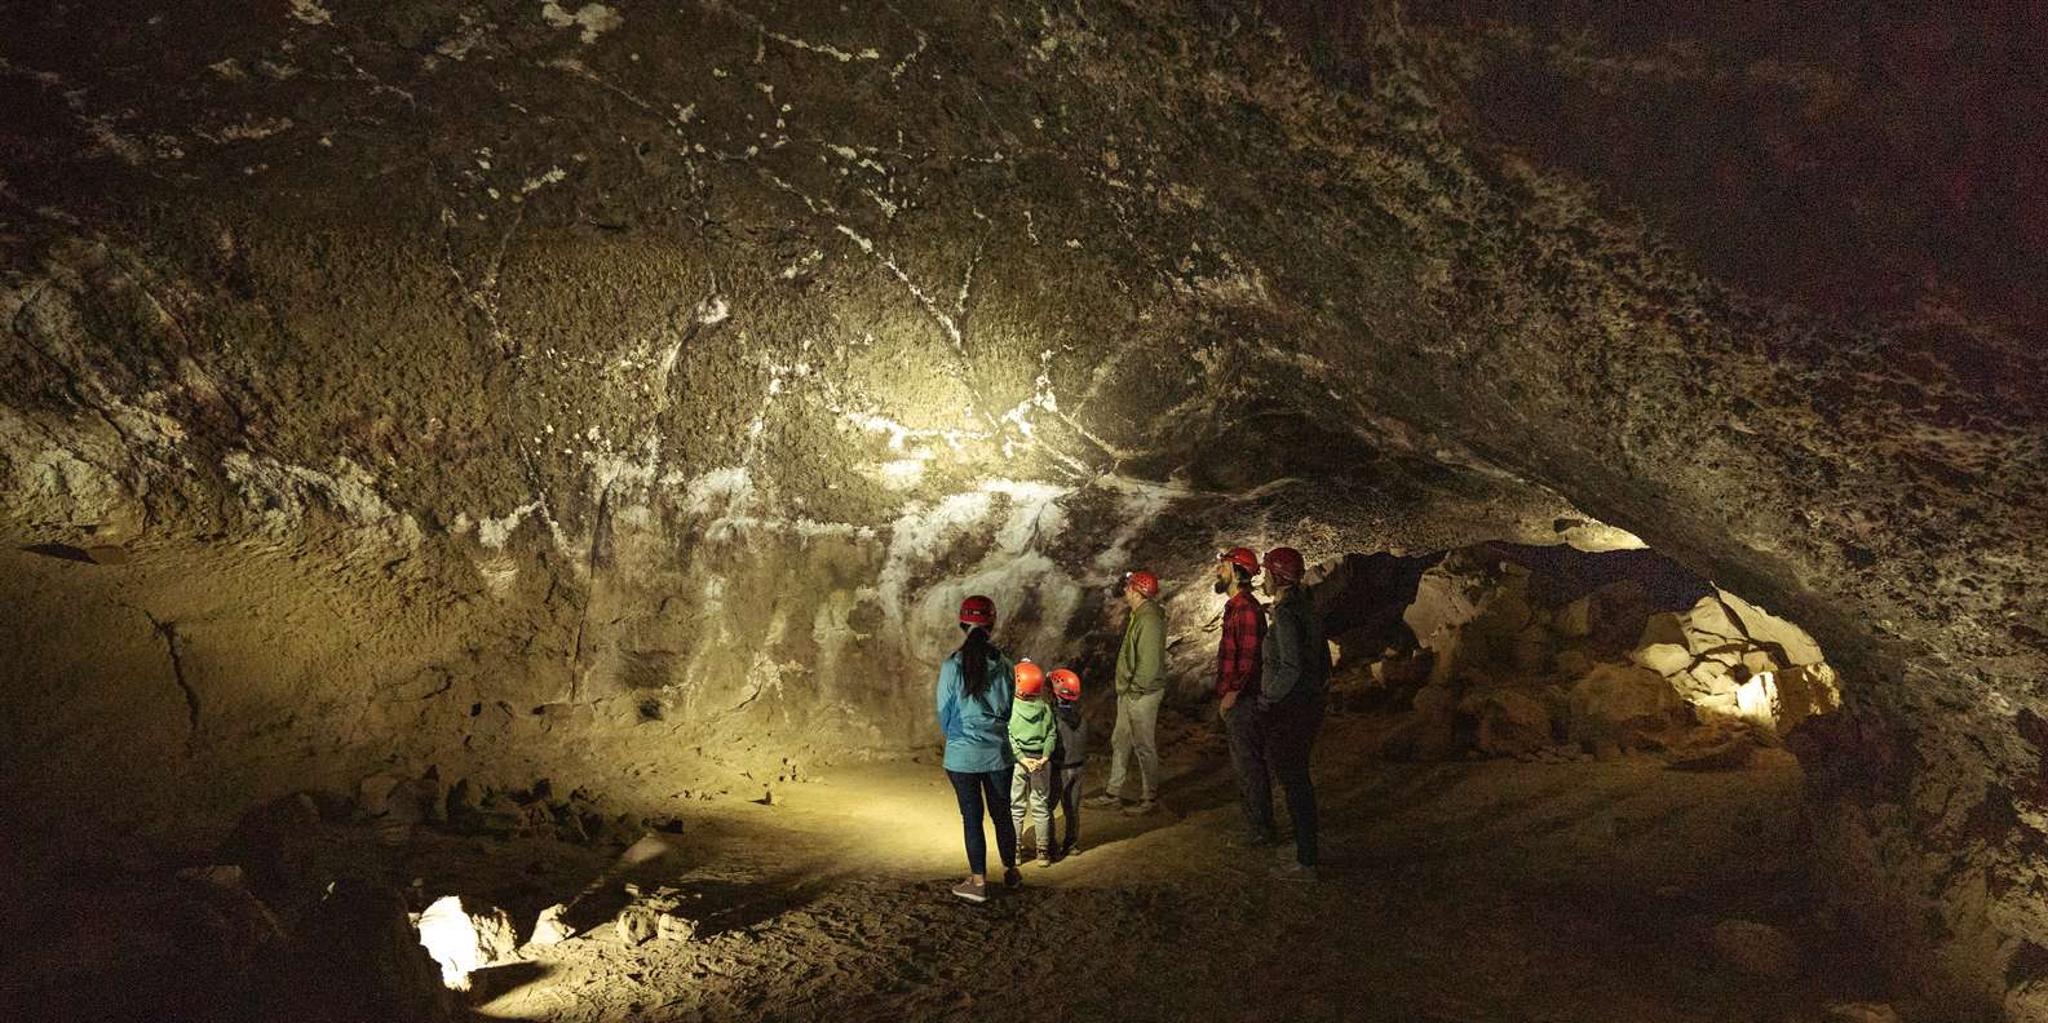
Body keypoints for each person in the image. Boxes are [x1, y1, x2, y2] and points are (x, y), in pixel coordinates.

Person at [936, 594, 1019, 902]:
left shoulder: (951, 666)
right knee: (1002, 815)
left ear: (963, 622)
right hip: (997, 754)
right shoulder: (1006, 665)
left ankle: (978, 882)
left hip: (962, 757)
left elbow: (944, 715)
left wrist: (960, 739)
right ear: (992, 623)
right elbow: (1009, 710)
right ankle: (1011, 871)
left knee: (972, 818)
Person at [1259, 547, 1329, 880]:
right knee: (1297, 778)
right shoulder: (1307, 607)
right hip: (1309, 702)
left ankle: (1306, 861)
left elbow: (1290, 666)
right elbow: (1322, 660)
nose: (1263, 578)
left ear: (1276, 575)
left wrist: (1268, 696)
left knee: (1294, 781)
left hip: (1291, 706)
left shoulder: (1287, 613)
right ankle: (1305, 850)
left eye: (1266, 572)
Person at [1087, 569, 1167, 816]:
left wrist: (1135, 690)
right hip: (1132, 691)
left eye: (1129, 587)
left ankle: (1149, 798)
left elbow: (1150, 662)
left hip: (1142, 693)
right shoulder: (1140, 615)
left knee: (1144, 745)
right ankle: (1113, 793)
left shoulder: (1149, 619)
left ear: (1136, 590)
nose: (1125, 590)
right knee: (1120, 739)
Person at [1213, 547, 1275, 847]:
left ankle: (1261, 830)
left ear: (1237, 572)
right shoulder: (1236, 607)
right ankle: (1256, 826)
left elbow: (1249, 658)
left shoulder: (1247, 609)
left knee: (1249, 766)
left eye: (1223, 566)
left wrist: (1233, 693)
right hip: (1239, 700)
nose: (1217, 571)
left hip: (1245, 701)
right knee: (1244, 766)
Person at [1008, 659, 1058, 868]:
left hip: (1020, 763)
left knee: (1016, 806)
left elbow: (1009, 735)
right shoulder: (1045, 709)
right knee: (1041, 806)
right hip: (1040, 763)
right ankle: (1043, 853)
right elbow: (1052, 734)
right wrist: (1044, 758)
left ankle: (1015, 852)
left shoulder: (1011, 708)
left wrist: (1021, 757)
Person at [1047, 667, 1087, 859]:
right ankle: (1071, 845)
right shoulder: (1081, 717)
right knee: (1072, 810)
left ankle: (1051, 848)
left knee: (1047, 808)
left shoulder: (1053, 716)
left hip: (1060, 768)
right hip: (1078, 768)